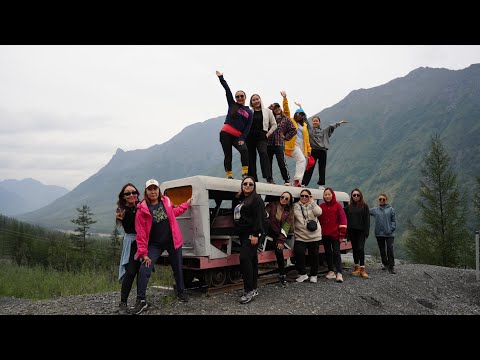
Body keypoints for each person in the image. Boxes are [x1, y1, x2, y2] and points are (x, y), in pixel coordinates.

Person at [132, 179, 192, 315]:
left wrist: (186, 204)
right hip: (155, 245)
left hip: (173, 241)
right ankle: (141, 300)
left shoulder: (166, 201)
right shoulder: (142, 210)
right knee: (144, 268)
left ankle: (181, 291)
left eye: (155, 189)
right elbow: (140, 234)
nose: (153, 191)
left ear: (158, 190)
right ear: (146, 192)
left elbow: (173, 213)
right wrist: (143, 253)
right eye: (150, 189)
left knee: (178, 268)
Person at [233, 176, 266, 304]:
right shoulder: (243, 199)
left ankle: (249, 291)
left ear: (254, 186)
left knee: (244, 258)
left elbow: (259, 218)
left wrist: (255, 234)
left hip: (251, 234)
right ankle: (254, 288)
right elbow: (235, 210)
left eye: (250, 184)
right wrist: (236, 197)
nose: (247, 185)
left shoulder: (256, 199)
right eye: (245, 183)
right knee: (252, 260)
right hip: (243, 234)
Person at [216, 70, 253, 179]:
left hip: (238, 136)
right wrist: (221, 78)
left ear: (245, 97)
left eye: (242, 96)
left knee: (244, 150)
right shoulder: (232, 104)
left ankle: (245, 173)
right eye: (237, 96)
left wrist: (242, 138)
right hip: (226, 133)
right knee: (228, 155)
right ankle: (229, 175)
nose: (240, 98)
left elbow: (248, 127)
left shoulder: (249, 111)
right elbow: (227, 90)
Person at [301, 115, 348, 189]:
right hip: (313, 150)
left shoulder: (323, 131)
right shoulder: (309, 129)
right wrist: (300, 108)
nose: (315, 122)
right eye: (314, 121)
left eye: (317, 121)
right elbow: (305, 120)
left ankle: (321, 184)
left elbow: (331, 127)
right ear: (312, 122)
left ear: (319, 122)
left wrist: (339, 123)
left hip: (322, 151)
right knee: (310, 166)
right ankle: (303, 183)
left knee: (322, 168)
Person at [115, 183, 141, 315]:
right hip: (132, 242)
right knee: (130, 272)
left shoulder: (141, 206)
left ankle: (140, 300)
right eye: (127, 193)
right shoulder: (122, 210)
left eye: (133, 192)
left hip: (144, 242)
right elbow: (129, 224)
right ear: (123, 197)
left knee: (142, 272)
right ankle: (123, 302)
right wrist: (122, 219)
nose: (131, 195)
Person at [281, 91, 311, 187]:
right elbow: (286, 111)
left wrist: (309, 149)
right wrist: (285, 99)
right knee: (301, 160)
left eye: (302, 114)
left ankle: (299, 182)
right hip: (293, 144)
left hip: (302, 145)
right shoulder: (291, 120)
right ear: (295, 114)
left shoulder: (304, 125)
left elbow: (306, 138)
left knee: (302, 162)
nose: (300, 115)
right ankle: (297, 180)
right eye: (298, 114)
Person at [265, 191, 294, 285]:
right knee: (266, 222)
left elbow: (286, 228)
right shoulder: (272, 205)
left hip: (277, 234)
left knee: (279, 251)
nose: (283, 199)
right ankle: (260, 244)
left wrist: (281, 241)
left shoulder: (289, 213)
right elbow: (265, 213)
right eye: (282, 197)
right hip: (267, 230)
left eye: (286, 199)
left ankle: (282, 274)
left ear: (289, 202)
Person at [293, 189, 322, 283]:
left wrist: (312, 202)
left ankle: (314, 275)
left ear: (310, 196)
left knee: (314, 255)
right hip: (300, 235)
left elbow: (319, 212)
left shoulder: (313, 205)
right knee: (298, 253)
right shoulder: (296, 206)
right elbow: (291, 217)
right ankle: (303, 274)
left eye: (306, 196)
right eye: (302, 196)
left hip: (314, 235)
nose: (304, 197)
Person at [246, 94, 277, 183]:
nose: (256, 101)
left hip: (262, 136)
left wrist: (268, 134)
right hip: (250, 136)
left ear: (260, 99)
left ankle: (268, 177)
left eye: (257, 99)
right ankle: (253, 177)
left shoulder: (267, 111)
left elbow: (274, 124)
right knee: (251, 157)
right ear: (251, 102)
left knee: (263, 153)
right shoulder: (249, 111)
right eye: (253, 100)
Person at [319, 187, 347, 283]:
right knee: (328, 253)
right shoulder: (321, 206)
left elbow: (343, 220)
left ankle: (339, 272)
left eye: (329, 194)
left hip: (335, 234)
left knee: (336, 253)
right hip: (325, 234)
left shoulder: (338, 206)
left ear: (332, 195)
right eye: (325, 194)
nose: (327, 196)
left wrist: (342, 234)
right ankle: (331, 271)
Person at [267, 102, 297, 186]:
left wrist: (285, 137)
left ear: (280, 108)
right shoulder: (269, 118)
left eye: (278, 107)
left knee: (281, 162)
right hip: (268, 143)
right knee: (268, 162)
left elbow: (293, 130)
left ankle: (286, 180)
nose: (277, 109)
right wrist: (270, 106)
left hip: (279, 143)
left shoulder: (286, 119)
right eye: (275, 108)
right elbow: (265, 112)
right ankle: (269, 179)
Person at [344, 188, 370, 278]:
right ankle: (356, 267)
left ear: (360, 196)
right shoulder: (348, 207)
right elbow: (343, 217)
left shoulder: (364, 206)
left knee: (360, 248)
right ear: (352, 196)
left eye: (357, 195)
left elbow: (367, 220)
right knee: (355, 249)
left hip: (361, 231)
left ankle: (362, 269)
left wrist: (367, 233)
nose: (355, 196)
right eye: (354, 195)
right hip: (351, 231)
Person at [370, 193, 397, 274]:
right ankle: (385, 264)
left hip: (389, 234)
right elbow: (365, 211)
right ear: (378, 200)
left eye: (383, 199)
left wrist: (391, 229)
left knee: (390, 250)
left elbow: (394, 221)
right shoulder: (375, 210)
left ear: (386, 200)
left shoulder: (391, 209)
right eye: (380, 199)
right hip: (379, 233)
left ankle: (391, 267)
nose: (381, 200)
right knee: (382, 250)